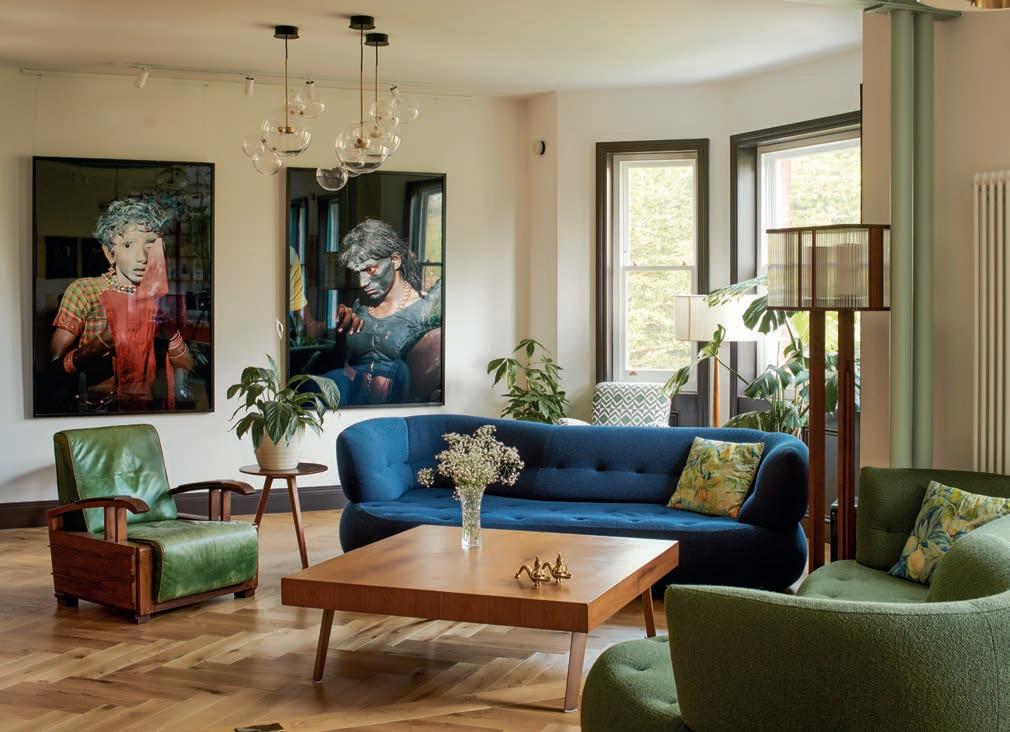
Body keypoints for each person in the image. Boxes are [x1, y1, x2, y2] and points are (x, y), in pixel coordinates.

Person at [49, 197, 194, 411]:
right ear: (110, 253)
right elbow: (54, 368)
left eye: (150, 246)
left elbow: (186, 365)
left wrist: (168, 329)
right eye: (128, 245)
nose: (142, 257)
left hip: (144, 406)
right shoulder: (85, 291)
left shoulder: (156, 299)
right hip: (94, 409)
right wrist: (104, 341)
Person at [329, 219, 442, 405]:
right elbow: (346, 367)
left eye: (370, 270)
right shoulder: (359, 307)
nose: (362, 283)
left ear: (395, 260)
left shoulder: (424, 312)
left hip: (400, 409)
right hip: (351, 407)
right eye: (358, 272)